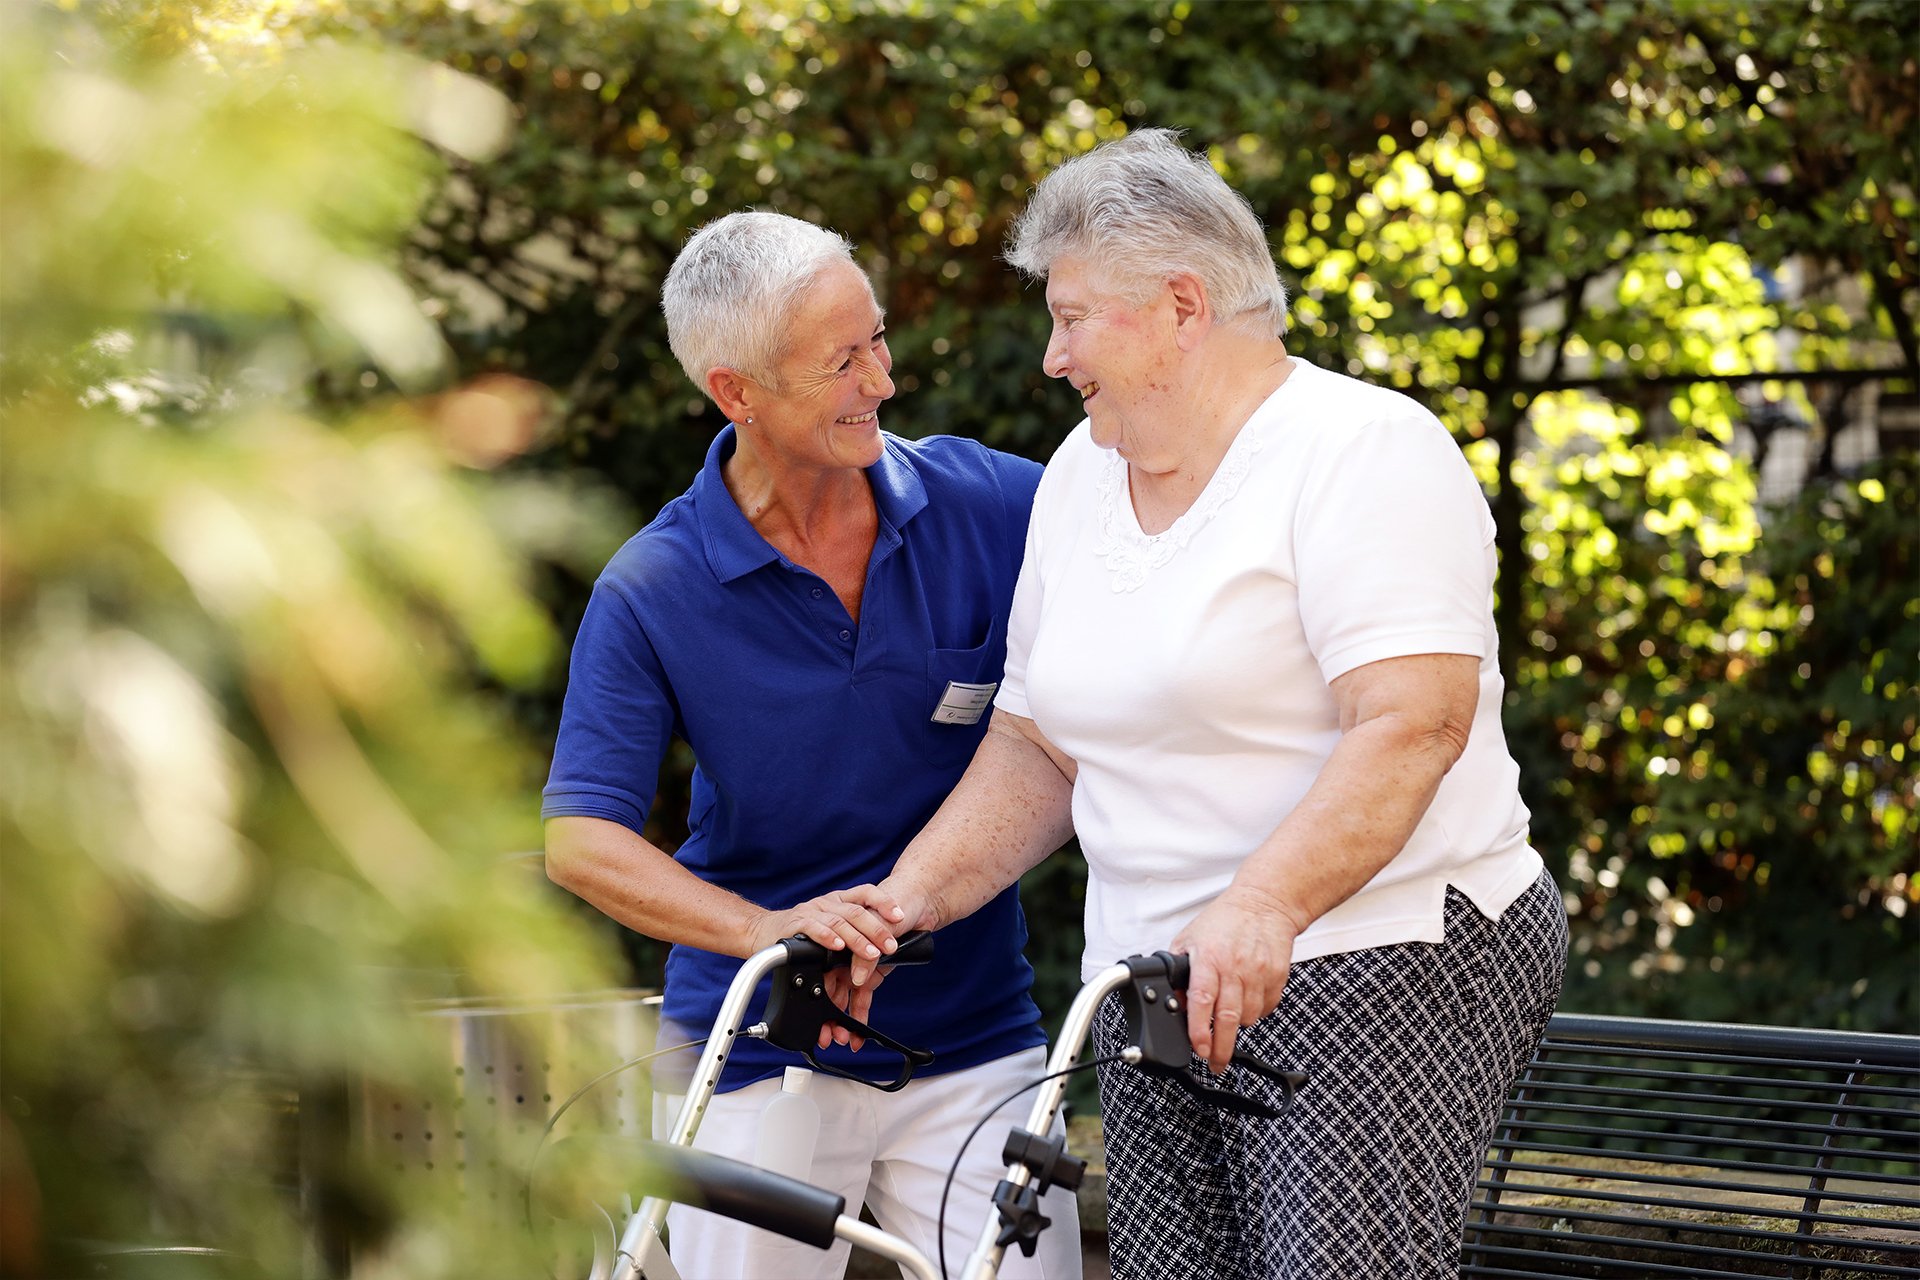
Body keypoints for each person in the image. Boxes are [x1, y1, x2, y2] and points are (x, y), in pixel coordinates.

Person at [851, 129, 1569, 1279]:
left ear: (1183, 305)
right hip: (1157, 975)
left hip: (1372, 944)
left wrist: (1261, 903)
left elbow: (1412, 720)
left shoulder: (1362, 450)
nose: (1052, 355)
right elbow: (1039, 740)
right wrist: (902, 907)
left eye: (1074, 316)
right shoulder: (1084, 473)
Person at [542, 211, 1080, 1279]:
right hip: (756, 1045)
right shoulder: (653, 586)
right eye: (841, 361)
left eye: (877, 339)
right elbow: (580, 840)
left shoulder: (995, 504)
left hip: (974, 1033)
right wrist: (767, 929)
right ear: (736, 391)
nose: (880, 379)